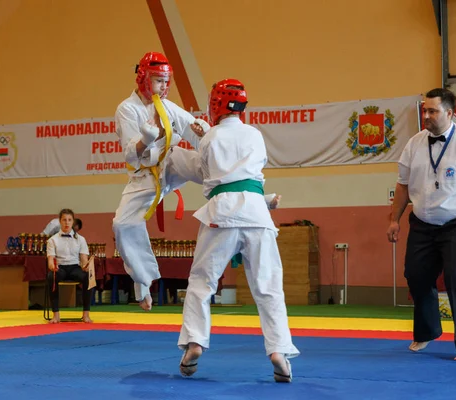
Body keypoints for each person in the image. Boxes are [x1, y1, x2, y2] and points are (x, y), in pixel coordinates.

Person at [177, 79, 300, 382]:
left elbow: (210, 175)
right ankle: (278, 352)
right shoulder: (255, 135)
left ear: (215, 105)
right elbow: (249, 176)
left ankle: (195, 343)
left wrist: (206, 136)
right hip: (257, 213)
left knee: (201, 282)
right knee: (269, 287)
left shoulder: (209, 138)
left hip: (222, 213)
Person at [387, 88, 456, 362]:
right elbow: (402, 185)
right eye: (424, 111)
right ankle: (427, 331)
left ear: (449, 113)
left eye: (432, 111)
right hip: (423, 222)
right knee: (416, 275)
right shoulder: (414, 143)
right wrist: (394, 220)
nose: (426, 116)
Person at [112, 51, 210, 311]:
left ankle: (245, 191)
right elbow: (131, 154)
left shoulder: (166, 106)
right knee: (122, 224)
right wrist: (147, 137)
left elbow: (189, 127)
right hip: (144, 176)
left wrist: (203, 131)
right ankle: (142, 282)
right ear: (143, 78)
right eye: (158, 81)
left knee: (206, 164)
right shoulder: (127, 109)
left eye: (167, 81)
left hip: (169, 162)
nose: (164, 87)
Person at [46, 209, 92, 324]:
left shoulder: (81, 239)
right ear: (60, 222)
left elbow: (83, 259)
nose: (67, 223)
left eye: (69, 220)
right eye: (64, 220)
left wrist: (86, 266)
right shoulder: (52, 240)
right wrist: (52, 267)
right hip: (60, 267)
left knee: (88, 277)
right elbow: (50, 260)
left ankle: (86, 314)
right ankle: (56, 315)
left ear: (73, 222)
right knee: (52, 277)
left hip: (74, 267)